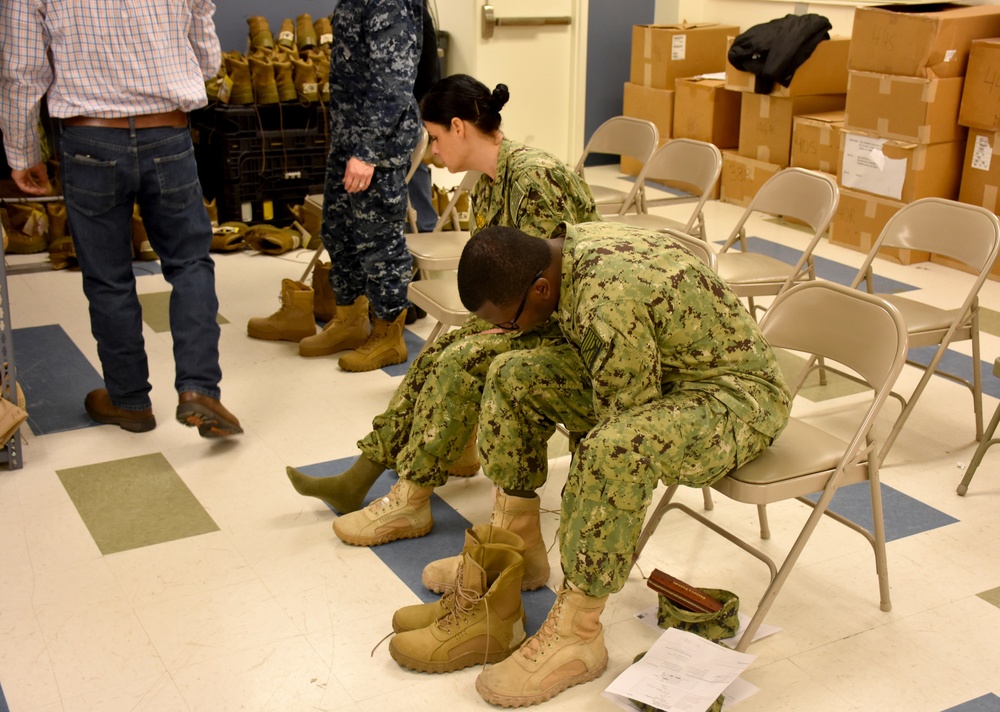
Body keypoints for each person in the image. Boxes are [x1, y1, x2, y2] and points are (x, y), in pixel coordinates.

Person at [451, 222, 791, 705]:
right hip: (666, 375)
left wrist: (584, 527)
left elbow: (617, 430)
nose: (512, 330)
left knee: (614, 450)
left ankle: (578, 634)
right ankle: (519, 552)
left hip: (736, 397)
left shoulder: (606, 303)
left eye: (509, 321)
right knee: (513, 373)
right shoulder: (564, 251)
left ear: (541, 288)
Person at [286, 75, 601, 583]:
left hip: (565, 324)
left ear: (459, 127)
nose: (431, 150)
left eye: (434, 137)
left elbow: (556, 285)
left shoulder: (532, 179)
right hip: (525, 316)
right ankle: (375, 474)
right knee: (445, 346)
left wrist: (500, 329)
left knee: (456, 355)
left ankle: (407, 496)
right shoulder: (494, 180)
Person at [0, 0, 242, 438]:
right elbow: (207, 60)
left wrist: (22, 153)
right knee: (189, 264)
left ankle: (129, 401)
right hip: (168, 131)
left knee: (108, 276)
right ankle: (200, 388)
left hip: (89, 137)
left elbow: (21, 71)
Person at [293, 0, 424, 372]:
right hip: (349, 138)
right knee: (338, 231)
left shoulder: (386, 2)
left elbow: (393, 81)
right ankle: (349, 320)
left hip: (376, 145)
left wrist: (367, 151)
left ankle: (389, 337)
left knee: (378, 240)